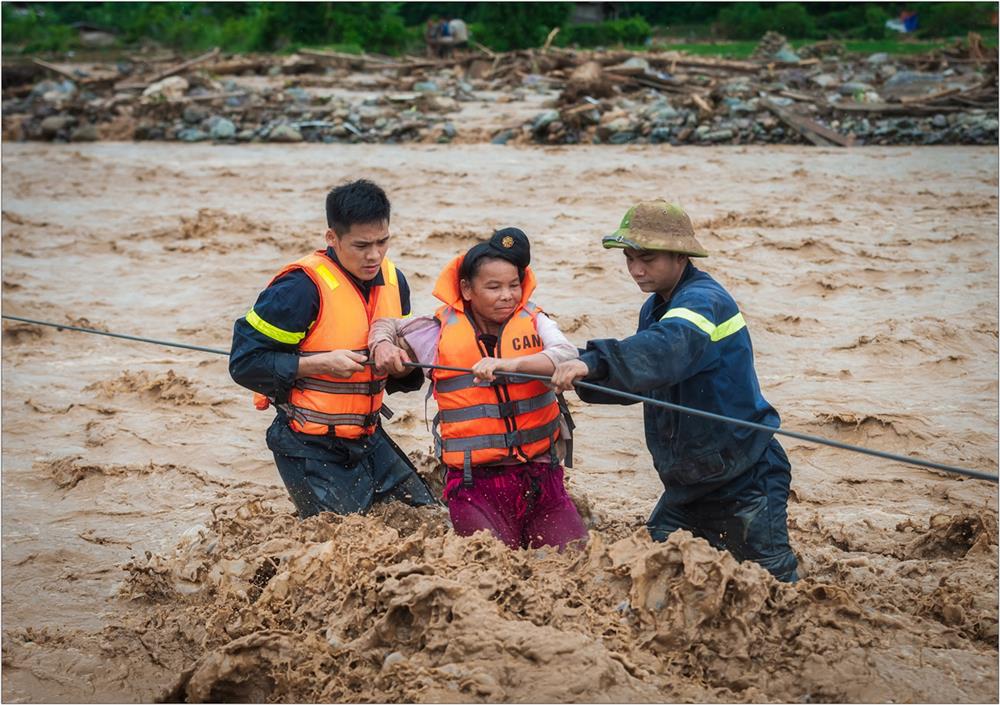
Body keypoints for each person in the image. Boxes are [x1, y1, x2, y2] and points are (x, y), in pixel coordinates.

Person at [551, 200, 799, 582]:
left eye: (647, 258)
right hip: (689, 484)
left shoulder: (703, 302)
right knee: (650, 575)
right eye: (630, 258)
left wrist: (594, 363)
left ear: (680, 255)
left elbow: (663, 351)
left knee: (774, 589)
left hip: (745, 478)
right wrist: (581, 378)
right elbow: (642, 378)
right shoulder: (655, 308)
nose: (636, 269)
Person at [368, 228, 588, 551]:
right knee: (490, 565)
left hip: (543, 480)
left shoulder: (536, 321)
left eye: (514, 285)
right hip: (474, 487)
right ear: (467, 289)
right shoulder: (439, 332)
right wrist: (382, 345)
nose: (507, 296)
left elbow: (566, 355)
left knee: (577, 562)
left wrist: (509, 365)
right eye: (494, 287)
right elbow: (387, 325)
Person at [229, 179, 436, 518]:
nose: (374, 255)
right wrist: (319, 364)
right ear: (332, 238)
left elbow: (402, 378)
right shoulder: (298, 289)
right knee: (346, 545)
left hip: (368, 438)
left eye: (382, 242)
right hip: (307, 445)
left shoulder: (395, 281)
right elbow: (244, 364)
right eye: (361, 245)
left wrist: (403, 366)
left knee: (430, 520)